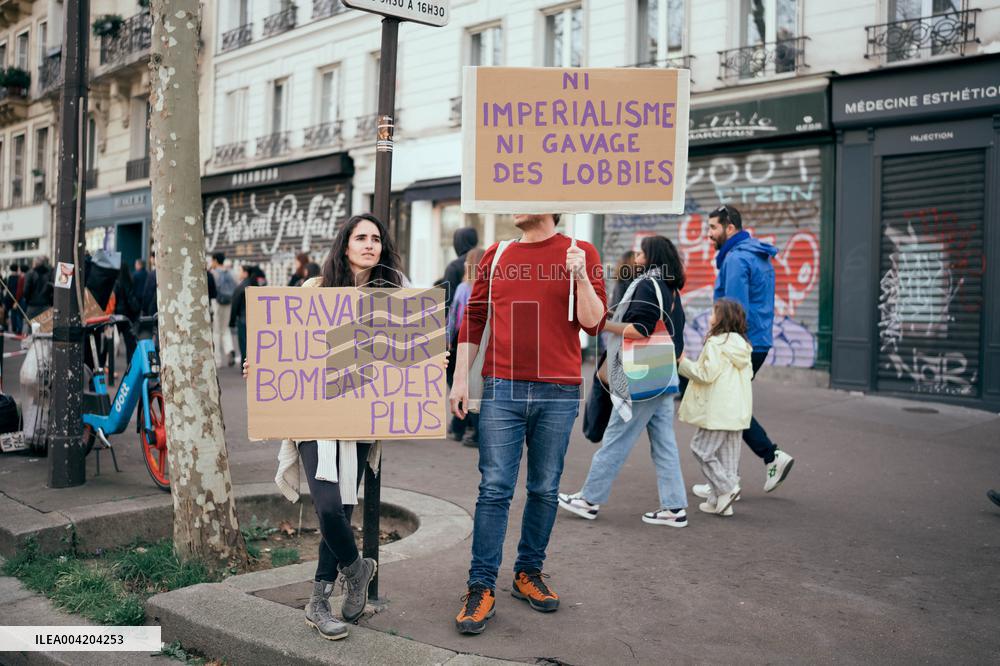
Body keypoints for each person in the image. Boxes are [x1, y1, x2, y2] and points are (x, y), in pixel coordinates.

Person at [245, 213, 400, 641]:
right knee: (329, 507)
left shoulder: (391, 296)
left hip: (360, 416)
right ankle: (357, 569)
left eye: (376, 238)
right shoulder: (314, 289)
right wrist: (261, 364)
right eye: (360, 237)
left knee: (343, 510)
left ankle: (318, 603)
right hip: (313, 415)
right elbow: (285, 340)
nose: (369, 244)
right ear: (345, 244)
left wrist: (429, 362)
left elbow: (404, 353)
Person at [450, 213, 606, 635]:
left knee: (544, 487)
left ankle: (527, 573)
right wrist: (460, 379)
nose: (515, 204)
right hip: (502, 388)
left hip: (559, 390)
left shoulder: (581, 252)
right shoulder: (497, 254)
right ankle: (481, 585)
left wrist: (580, 277)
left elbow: (594, 322)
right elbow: (474, 319)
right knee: (494, 488)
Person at [558, 236, 688, 527]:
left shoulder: (647, 284)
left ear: (651, 256)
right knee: (664, 444)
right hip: (662, 374)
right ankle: (674, 507)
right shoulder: (671, 287)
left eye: (642, 252)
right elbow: (674, 331)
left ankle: (589, 499)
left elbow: (641, 329)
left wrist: (603, 323)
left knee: (617, 437)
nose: (637, 256)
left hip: (643, 375)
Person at [703, 204, 794, 495]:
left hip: (741, 344)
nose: (709, 234)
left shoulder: (735, 259)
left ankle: (768, 457)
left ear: (730, 228)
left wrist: (719, 344)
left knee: (728, 407)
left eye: (713, 227)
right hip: (758, 341)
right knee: (732, 405)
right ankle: (727, 479)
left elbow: (733, 311)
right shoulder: (757, 255)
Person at [678, 298, 754, 517]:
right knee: (728, 458)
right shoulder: (743, 346)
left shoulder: (716, 343)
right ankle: (719, 503)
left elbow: (705, 374)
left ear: (721, 319)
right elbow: (748, 375)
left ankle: (726, 488)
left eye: (713, 313)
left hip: (719, 410)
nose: (709, 317)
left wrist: (683, 362)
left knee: (701, 448)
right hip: (738, 411)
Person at [446, 247, 485, 447]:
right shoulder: (490, 286)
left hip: (463, 341)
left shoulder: (464, 288)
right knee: (476, 386)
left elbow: (454, 316)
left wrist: (448, 338)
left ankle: (460, 427)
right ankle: (466, 428)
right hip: (483, 343)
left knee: (460, 383)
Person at [441, 227, 479, 313]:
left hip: (459, 318)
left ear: (457, 243)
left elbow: (446, 300)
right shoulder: (485, 262)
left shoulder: (454, 267)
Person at [210, 252, 237, 368]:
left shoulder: (214, 273)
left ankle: (217, 360)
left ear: (215, 260)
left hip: (217, 302)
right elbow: (236, 285)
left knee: (216, 331)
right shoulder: (230, 272)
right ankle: (229, 349)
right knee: (225, 328)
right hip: (228, 302)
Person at [229, 265, 255, 365]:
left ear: (245, 273)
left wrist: (232, 321)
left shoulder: (240, 288)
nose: (238, 273)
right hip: (254, 319)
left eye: (240, 271)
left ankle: (245, 367)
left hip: (243, 319)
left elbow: (235, 305)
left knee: (244, 345)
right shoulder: (254, 285)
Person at [3, 264, 21, 334]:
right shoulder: (19, 277)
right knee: (15, 313)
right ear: (17, 269)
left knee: (6, 313)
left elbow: (7, 287)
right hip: (15, 297)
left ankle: (5, 328)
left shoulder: (9, 277)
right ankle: (15, 328)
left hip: (8, 297)